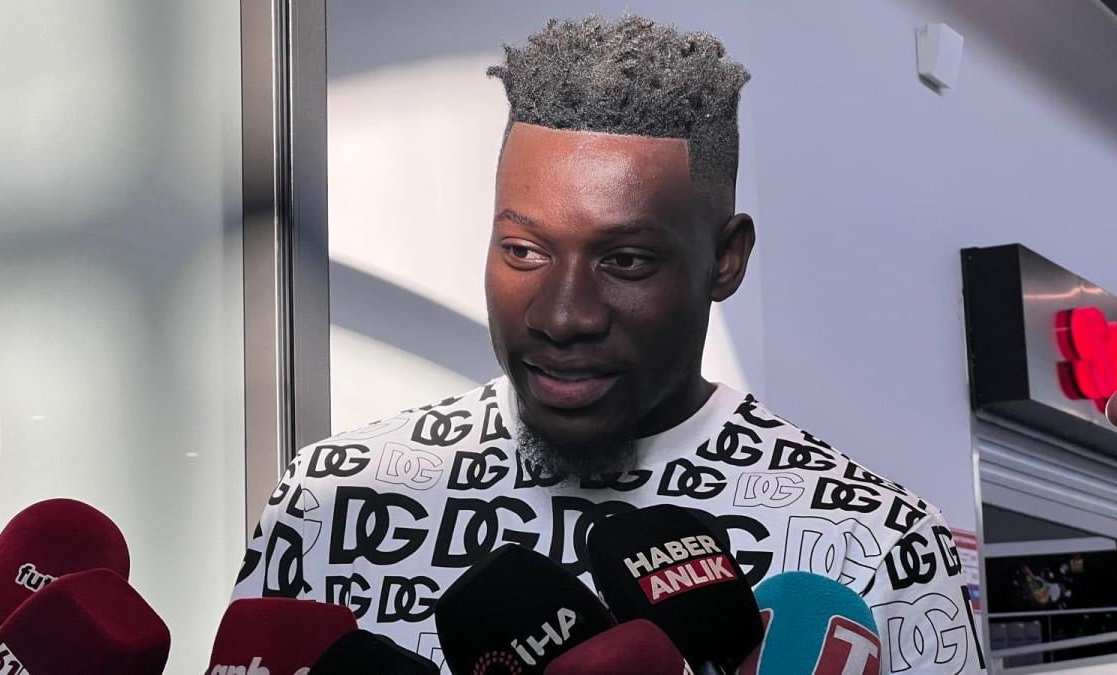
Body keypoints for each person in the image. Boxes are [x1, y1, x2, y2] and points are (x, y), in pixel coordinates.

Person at [233, 15, 985, 673]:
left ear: (726, 260)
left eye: (625, 261)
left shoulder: (879, 544)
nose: (563, 316)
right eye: (524, 251)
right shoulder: (331, 498)